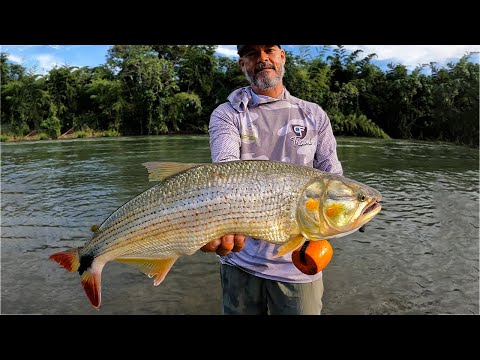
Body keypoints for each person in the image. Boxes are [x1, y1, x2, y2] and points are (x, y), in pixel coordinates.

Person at [201, 45, 343, 315]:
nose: (262, 58)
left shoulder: (314, 115)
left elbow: (333, 178)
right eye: (253, 53)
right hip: (238, 258)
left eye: (269, 50)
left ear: (282, 57)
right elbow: (227, 172)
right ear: (243, 63)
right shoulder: (228, 114)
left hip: (298, 265)